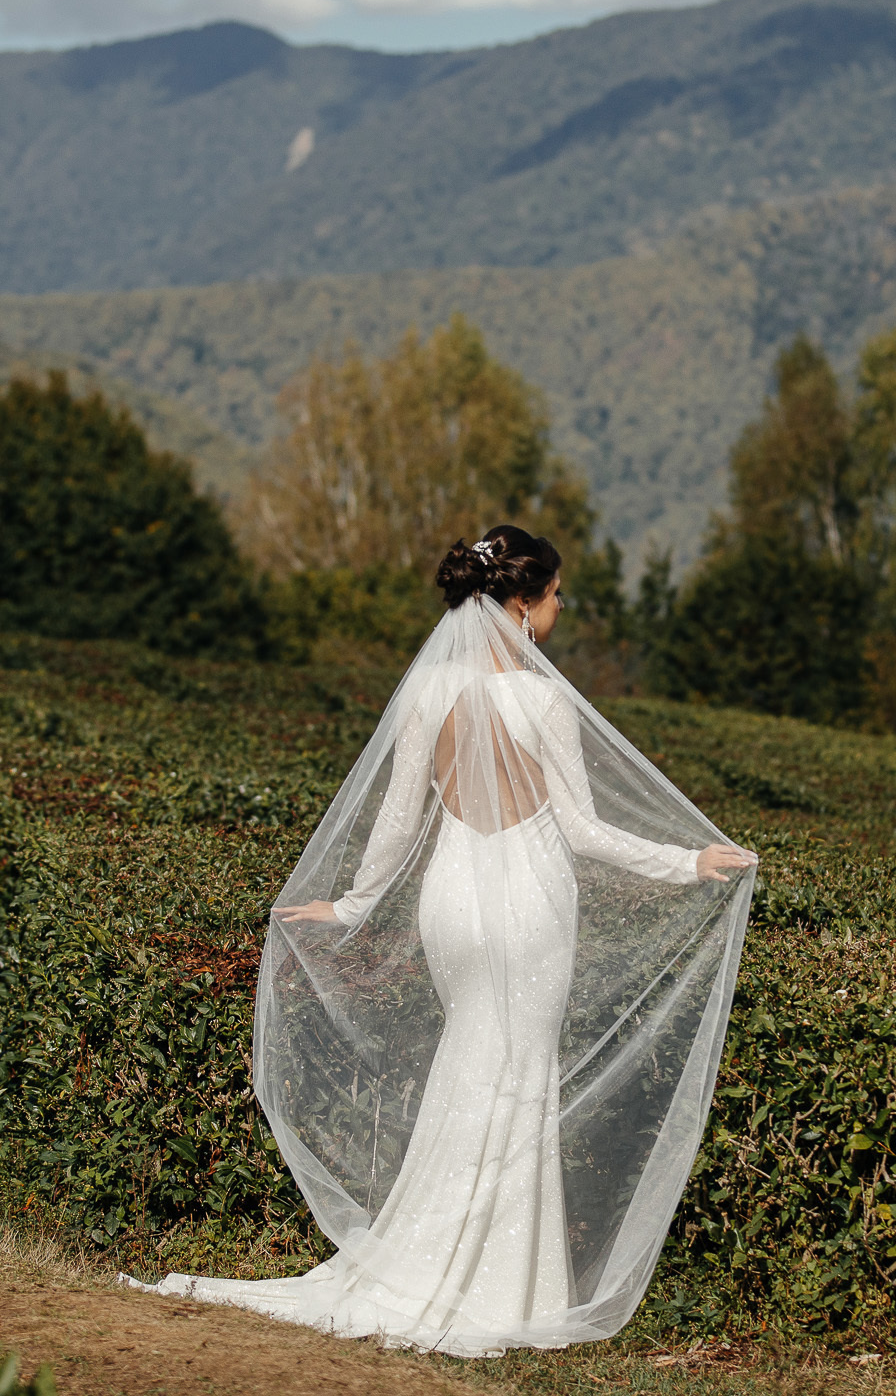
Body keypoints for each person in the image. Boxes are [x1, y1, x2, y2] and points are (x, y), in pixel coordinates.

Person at [123, 524, 756, 1357]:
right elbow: (583, 831)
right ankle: (503, 1287)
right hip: (528, 908)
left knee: (472, 1065)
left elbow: (395, 821)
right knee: (516, 1077)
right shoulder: (544, 700)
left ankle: (436, 1261)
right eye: (557, 596)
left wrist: (351, 906)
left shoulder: (428, 691)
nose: (562, 609)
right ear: (522, 607)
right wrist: (689, 860)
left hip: (450, 903)